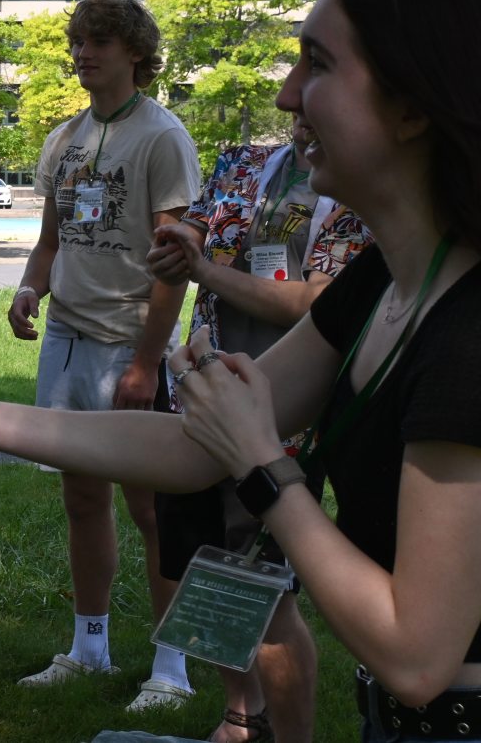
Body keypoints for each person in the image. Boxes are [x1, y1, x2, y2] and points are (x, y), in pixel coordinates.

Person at [0, 0, 481, 741]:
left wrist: (261, 463)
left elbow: (417, 653)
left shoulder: (467, 334)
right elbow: (193, 449)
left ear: (413, 106)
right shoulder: (384, 284)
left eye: (318, 65)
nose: (286, 92)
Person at [146, 116, 373, 743]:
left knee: (266, 587)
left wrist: (204, 272)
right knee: (207, 566)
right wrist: (172, 250)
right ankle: (241, 715)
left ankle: (291, 735)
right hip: (208, 386)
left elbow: (321, 302)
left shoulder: (358, 187)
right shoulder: (243, 163)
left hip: (289, 407)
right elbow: (192, 235)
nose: (300, 108)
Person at [8, 0, 200, 710]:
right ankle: (89, 649)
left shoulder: (161, 137)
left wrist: (148, 362)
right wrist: (31, 289)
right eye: (79, 41)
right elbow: (51, 243)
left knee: (150, 508)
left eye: (100, 42)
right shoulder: (64, 138)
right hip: (67, 339)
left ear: (135, 55)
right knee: (81, 496)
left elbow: (172, 264)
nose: (83, 53)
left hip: (130, 340)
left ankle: (171, 668)